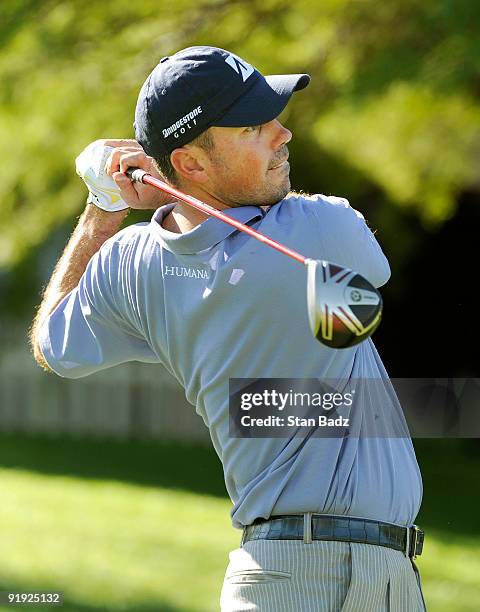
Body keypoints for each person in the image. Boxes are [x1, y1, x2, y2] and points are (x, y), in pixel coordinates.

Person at [30, 46, 427, 611]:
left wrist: (105, 202)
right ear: (191, 162)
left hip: (310, 577)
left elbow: (51, 343)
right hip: (321, 578)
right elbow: (366, 262)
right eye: (255, 126)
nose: (282, 135)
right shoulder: (320, 231)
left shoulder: (132, 263)